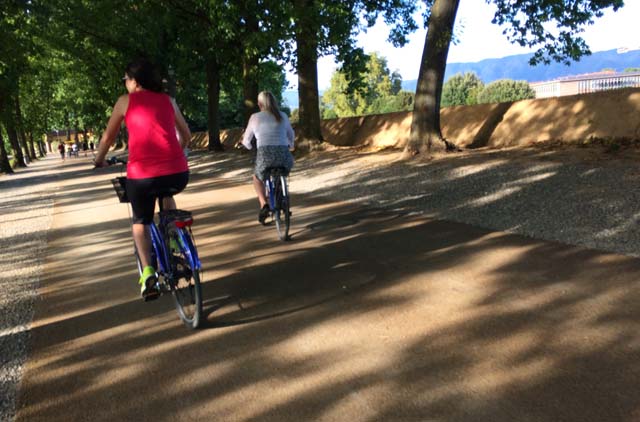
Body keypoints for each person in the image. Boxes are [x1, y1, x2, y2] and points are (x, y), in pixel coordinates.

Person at [94, 57, 191, 301]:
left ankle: (148, 274)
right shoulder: (169, 101)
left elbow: (107, 138)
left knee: (141, 221)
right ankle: (174, 243)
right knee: (166, 194)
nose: (125, 83)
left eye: (126, 79)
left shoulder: (125, 102)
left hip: (142, 177)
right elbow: (186, 136)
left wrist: (99, 160)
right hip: (178, 172)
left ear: (135, 81)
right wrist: (174, 152)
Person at [241, 91, 294, 224]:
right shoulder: (283, 115)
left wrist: (249, 147)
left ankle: (264, 204)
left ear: (259, 104)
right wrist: (290, 145)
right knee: (282, 170)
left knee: (257, 177)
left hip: (265, 156)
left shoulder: (255, 117)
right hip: (284, 156)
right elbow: (291, 134)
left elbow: (246, 140)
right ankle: (281, 197)